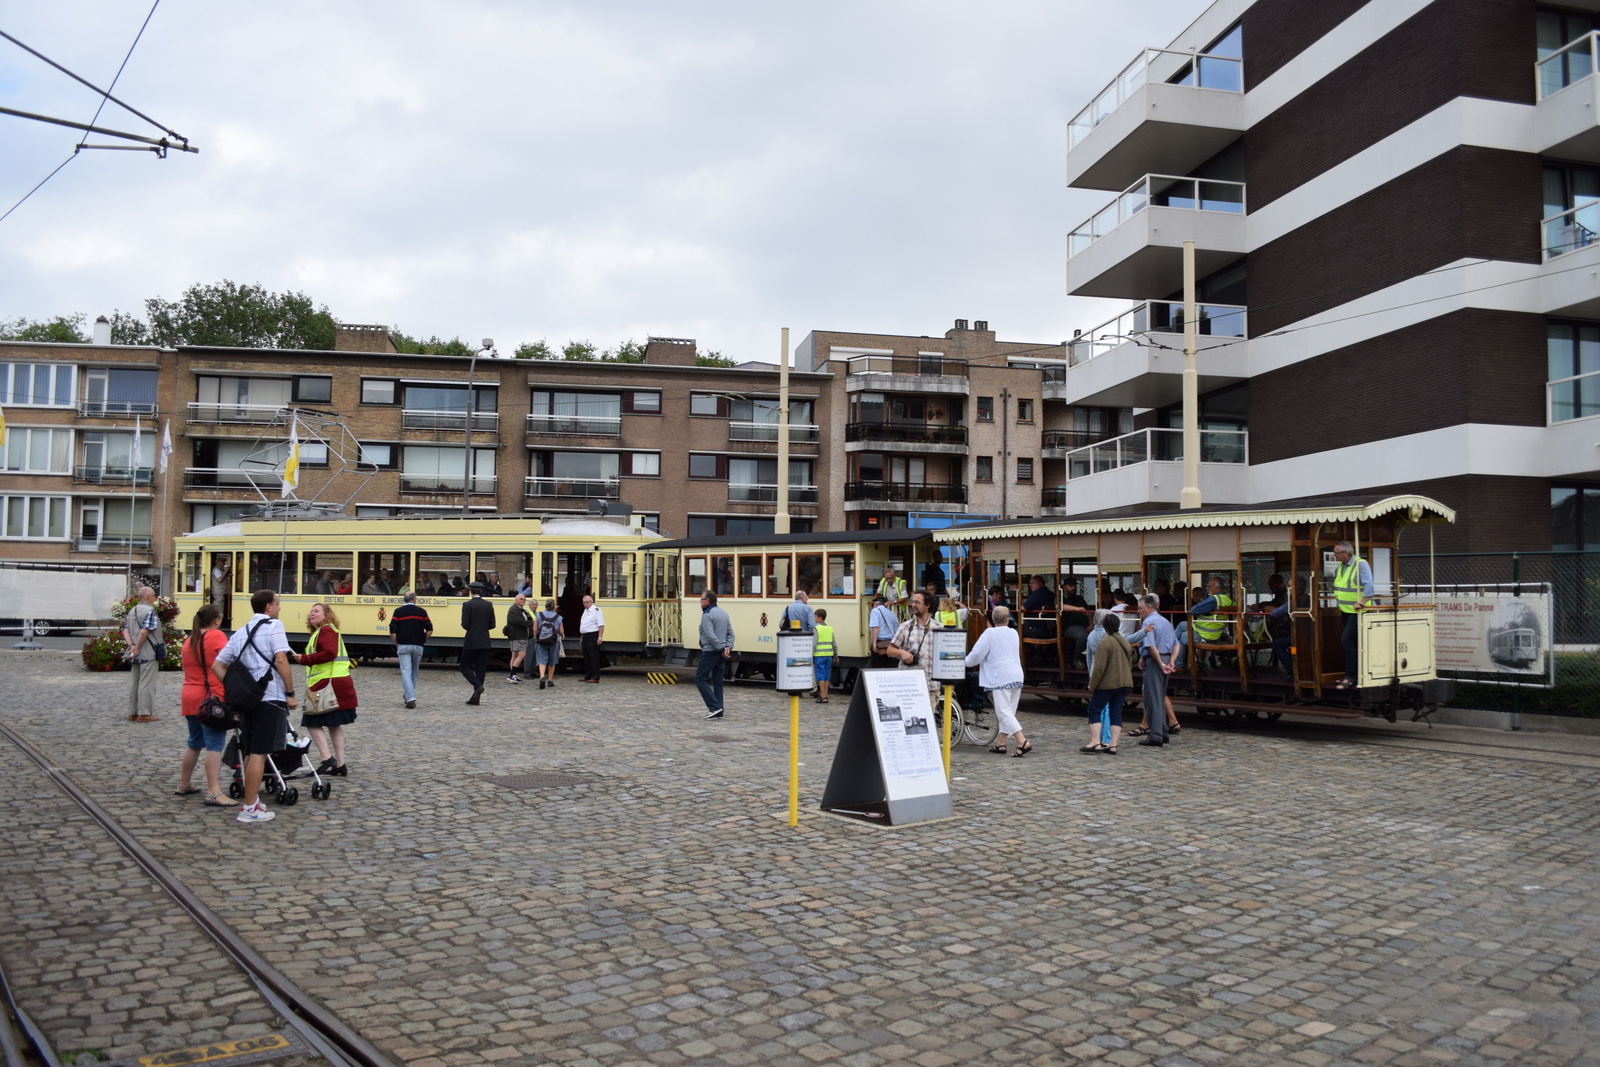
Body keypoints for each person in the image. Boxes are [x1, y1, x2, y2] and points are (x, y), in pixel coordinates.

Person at [211, 589, 296, 825]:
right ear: (268, 606)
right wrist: (290, 693)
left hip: (247, 701)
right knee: (260, 753)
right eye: (277, 603)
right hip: (270, 697)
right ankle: (249, 808)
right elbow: (281, 659)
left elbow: (217, 666)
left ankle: (253, 800)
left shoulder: (240, 632)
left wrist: (237, 689)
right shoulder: (274, 626)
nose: (279, 607)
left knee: (250, 752)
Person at [177, 604, 229, 806]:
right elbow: (227, 662)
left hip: (190, 696)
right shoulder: (216, 636)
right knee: (214, 745)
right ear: (217, 620)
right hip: (210, 698)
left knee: (194, 742)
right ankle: (213, 791)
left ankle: (184, 784)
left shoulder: (190, 639)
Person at [299, 602, 357, 777]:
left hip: (328, 683)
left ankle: (326, 758)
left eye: (317, 611)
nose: (312, 613)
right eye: (311, 611)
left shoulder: (325, 630)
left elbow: (329, 653)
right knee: (334, 723)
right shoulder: (326, 631)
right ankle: (340, 764)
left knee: (311, 721)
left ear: (327, 615)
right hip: (338, 682)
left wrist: (305, 659)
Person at [964, 604, 1028, 756]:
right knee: (1009, 712)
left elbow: (976, 655)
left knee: (1003, 712)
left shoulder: (989, 634)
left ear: (993, 619)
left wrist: (963, 662)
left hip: (1000, 677)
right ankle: (1001, 743)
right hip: (1016, 675)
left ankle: (1022, 741)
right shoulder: (1013, 633)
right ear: (1008, 619)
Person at [1083, 614, 1135, 754]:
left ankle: (1095, 742)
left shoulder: (1104, 642)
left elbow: (1099, 667)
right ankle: (1113, 744)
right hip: (1124, 682)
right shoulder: (1124, 641)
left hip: (1108, 683)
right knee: (1115, 712)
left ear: (1105, 626)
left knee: (1094, 710)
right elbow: (1129, 663)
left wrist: (1092, 684)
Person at [1134, 594, 1180, 748]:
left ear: (1149, 608)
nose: (1138, 611)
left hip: (1155, 660)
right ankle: (1162, 732)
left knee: (1152, 698)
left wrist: (1160, 663)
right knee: (1159, 696)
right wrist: (1171, 661)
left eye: (1140, 608)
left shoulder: (1148, 622)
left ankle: (1155, 735)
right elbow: (1176, 644)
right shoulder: (1165, 621)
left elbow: (1151, 646)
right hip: (1166, 657)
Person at [1332, 540, 1376, 689]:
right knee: (1353, 642)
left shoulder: (1360, 564)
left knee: (1346, 640)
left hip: (1358, 611)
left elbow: (1369, 584)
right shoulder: (1341, 565)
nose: (1334, 555)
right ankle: (1356, 674)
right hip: (1345, 610)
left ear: (1346, 553)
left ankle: (1351, 676)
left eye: (1336, 553)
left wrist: (1362, 602)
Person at [887, 590, 943, 693]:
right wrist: (901, 652)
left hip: (931, 686)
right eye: (912, 601)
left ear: (927, 605)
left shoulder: (938, 628)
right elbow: (890, 650)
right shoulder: (905, 626)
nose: (913, 605)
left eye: (917, 602)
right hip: (909, 686)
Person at [124, 586, 163, 723]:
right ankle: (144, 714)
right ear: (148, 597)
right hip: (148, 652)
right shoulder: (150, 611)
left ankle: (132, 713)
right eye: (153, 595)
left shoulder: (132, 610)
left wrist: (132, 646)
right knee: (147, 684)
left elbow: (126, 631)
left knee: (134, 683)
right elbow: (144, 632)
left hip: (134, 653)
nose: (155, 597)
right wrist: (138, 647)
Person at [389, 592, 432, 708]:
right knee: (414, 672)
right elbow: (429, 630)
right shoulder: (422, 612)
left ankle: (410, 697)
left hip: (403, 645)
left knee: (406, 671)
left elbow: (392, 631)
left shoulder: (398, 612)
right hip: (418, 645)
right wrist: (423, 640)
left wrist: (397, 643)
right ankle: (409, 695)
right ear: (414, 599)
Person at [696, 591, 734, 719]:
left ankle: (714, 707)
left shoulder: (707, 614)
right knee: (718, 683)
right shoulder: (724, 613)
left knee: (700, 679)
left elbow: (710, 635)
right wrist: (727, 647)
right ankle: (719, 710)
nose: (700, 602)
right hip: (721, 654)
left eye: (701, 599)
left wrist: (720, 648)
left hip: (710, 651)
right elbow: (730, 633)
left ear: (708, 600)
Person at [459, 583, 495, 705]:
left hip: (471, 640)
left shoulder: (467, 605)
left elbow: (465, 624)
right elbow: (492, 624)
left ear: (471, 591)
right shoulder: (488, 604)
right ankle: (476, 696)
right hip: (485, 640)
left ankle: (477, 685)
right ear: (481, 591)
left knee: (464, 666)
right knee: (481, 668)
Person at [1188, 576, 1237, 656]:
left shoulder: (1213, 599)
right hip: (1216, 632)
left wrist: (1202, 610)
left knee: (1180, 637)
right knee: (1181, 626)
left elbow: (1193, 610)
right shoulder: (1227, 599)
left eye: (1209, 586)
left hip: (1205, 633)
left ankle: (1179, 661)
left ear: (1218, 588)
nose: (1207, 588)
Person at [1057, 577, 1093, 667]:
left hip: (1085, 625)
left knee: (1098, 632)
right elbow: (1059, 606)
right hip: (1069, 626)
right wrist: (1077, 609)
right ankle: (1077, 658)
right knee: (1083, 635)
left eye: (1075, 586)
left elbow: (1089, 613)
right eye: (1070, 586)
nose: (1073, 588)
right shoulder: (1060, 598)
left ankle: (1093, 658)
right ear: (1064, 587)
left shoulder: (1079, 599)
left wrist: (1091, 624)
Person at [531, 598, 564, 689]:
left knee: (541, 660)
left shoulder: (539, 615)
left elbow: (535, 629)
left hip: (541, 640)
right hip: (554, 641)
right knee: (552, 660)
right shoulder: (558, 617)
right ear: (554, 607)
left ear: (545, 605)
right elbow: (561, 631)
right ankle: (550, 680)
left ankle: (542, 677)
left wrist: (536, 638)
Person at [503, 593, 532, 683]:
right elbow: (519, 621)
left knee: (514, 655)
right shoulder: (513, 609)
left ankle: (513, 675)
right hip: (517, 635)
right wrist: (531, 623)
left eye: (524, 599)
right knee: (522, 655)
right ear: (516, 600)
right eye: (521, 599)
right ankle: (512, 675)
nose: (523, 601)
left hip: (519, 635)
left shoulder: (521, 610)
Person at [579, 594, 605, 682]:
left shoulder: (596, 610)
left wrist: (600, 637)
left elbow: (601, 625)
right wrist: (582, 636)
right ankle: (588, 675)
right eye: (583, 602)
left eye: (586, 602)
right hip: (585, 636)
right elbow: (584, 624)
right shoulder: (585, 611)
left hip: (592, 635)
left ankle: (595, 677)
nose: (585, 604)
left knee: (593, 657)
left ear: (591, 602)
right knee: (587, 657)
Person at [868, 594, 898, 668]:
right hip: (890, 644)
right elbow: (896, 630)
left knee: (877, 667)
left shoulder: (875, 611)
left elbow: (875, 627)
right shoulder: (891, 613)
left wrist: (874, 643)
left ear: (875, 604)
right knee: (889, 667)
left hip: (880, 644)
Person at [812, 608, 835, 704]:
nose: (814, 618)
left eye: (815, 617)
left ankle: (822, 696)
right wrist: (836, 655)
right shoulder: (830, 629)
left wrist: (811, 653)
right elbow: (834, 643)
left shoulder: (816, 629)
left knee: (821, 676)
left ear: (820, 617)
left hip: (819, 655)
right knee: (826, 676)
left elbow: (814, 643)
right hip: (829, 655)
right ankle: (826, 695)